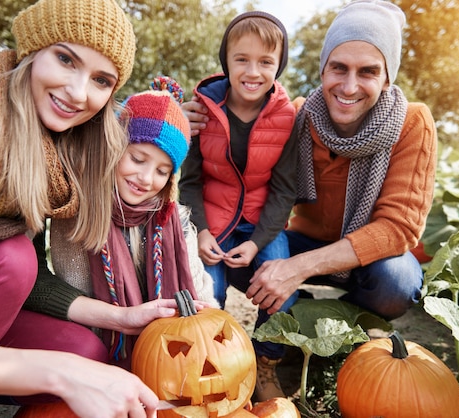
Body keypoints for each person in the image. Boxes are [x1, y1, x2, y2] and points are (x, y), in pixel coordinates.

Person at [0, 0, 192, 417]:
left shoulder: (48, 151)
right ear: (33, 50)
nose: (77, 92)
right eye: (66, 59)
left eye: (101, 80)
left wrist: (121, 317)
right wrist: (61, 373)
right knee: (9, 260)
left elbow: (33, 282)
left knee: (84, 348)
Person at [186, 0, 437, 329]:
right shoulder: (298, 115)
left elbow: (399, 228)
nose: (349, 87)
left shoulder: (412, 122)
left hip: (367, 261)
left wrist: (298, 267)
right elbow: (241, 120)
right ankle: (298, 315)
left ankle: (343, 325)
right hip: (302, 240)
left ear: (388, 78)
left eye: (368, 72)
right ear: (323, 69)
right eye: (339, 68)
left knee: (397, 282)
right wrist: (187, 117)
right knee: (236, 251)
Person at [48, 77, 218, 371]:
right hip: (102, 335)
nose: (146, 178)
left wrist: (211, 330)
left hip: (165, 351)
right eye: (138, 159)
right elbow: (74, 294)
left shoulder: (172, 218)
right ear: (114, 150)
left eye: (162, 171)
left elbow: (201, 292)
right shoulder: (81, 215)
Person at [178, 11, 299, 401]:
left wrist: (259, 240)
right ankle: (209, 367)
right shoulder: (202, 110)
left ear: (278, 65)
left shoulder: (288, 117)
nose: (253, 71)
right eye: (241, 59)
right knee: (203, 294)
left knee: (282, 288)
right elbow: (191, 181)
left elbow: (284, 189)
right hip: (212, 218)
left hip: (263, 221)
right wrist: (199, 231)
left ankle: (266, 361)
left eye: (266, 62)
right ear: (225, 62)